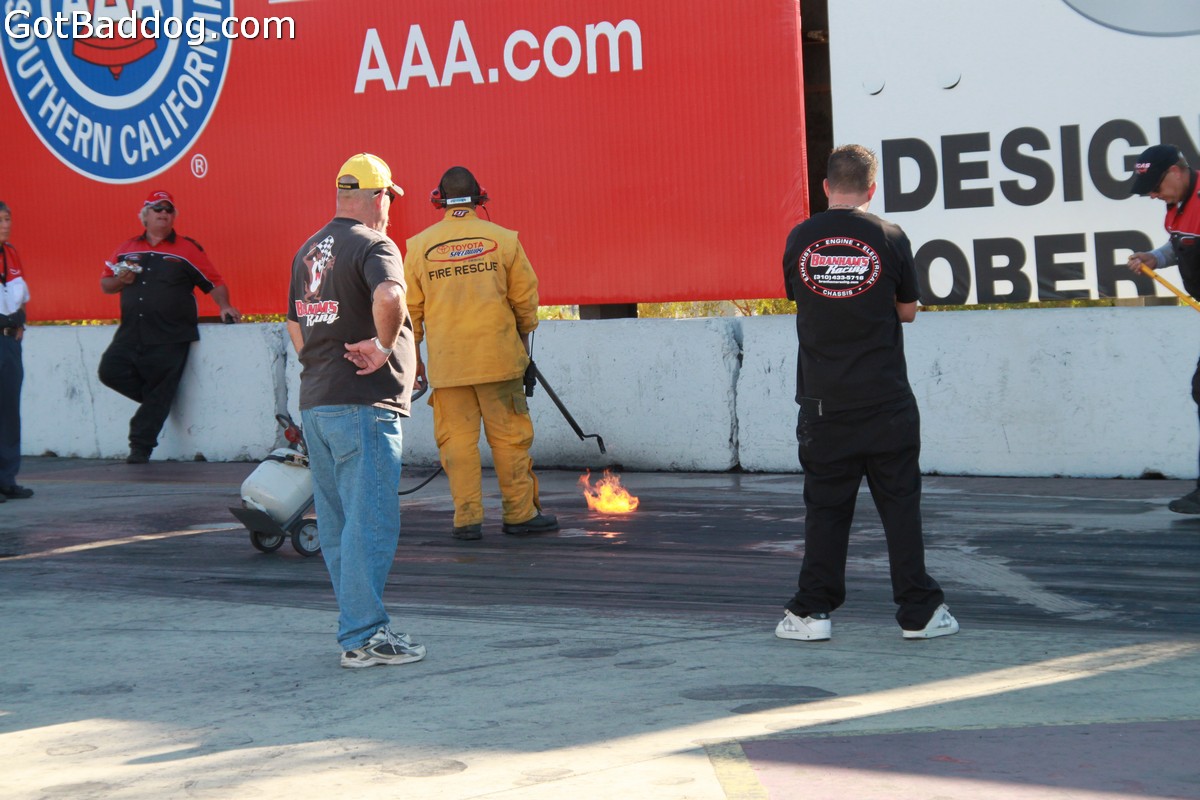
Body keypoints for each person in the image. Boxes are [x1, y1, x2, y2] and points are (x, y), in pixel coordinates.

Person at [775, 144, 958, 642]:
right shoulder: (890, 235)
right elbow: (908, 311)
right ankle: (920, 613)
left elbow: (801, 298)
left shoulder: (800, 237)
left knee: (826, 510)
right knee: (900, 508)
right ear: (872, 189)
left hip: (824, 403)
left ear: (826, 187)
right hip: (886, 400)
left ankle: (811, 614)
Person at [286, 153, 426, 669]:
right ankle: (366, 635)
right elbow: (389, 294)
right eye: (389, 198)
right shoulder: (374, 244)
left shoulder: (308, 250)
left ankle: (356, 631)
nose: (389, 208)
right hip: (363, 405)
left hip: (317, 403)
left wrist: (324, 362)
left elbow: (295, 325)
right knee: (370, 522)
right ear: (378, 196)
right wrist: (386, 349)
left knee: (340, 526)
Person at [403, 166, 557, 541]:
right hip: (500, 363)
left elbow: (409, 314)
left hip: (449, 367)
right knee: (509, 441)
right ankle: (520, 514)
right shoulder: (504, 240)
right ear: (479, 198)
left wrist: (416, 360)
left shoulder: (418, 246)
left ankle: (467, 520)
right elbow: (525, 303)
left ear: (438, 199)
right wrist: (522, 348)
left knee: (456, 443)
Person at [98, 191, 241, 463]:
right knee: (110, 371)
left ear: (173, 216)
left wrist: (224, 305)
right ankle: (157, 401)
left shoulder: (187, 249)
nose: (163, 213)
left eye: (168, 209)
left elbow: (213, 281)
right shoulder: (127, 248)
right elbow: (106, 284)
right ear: (145, 216)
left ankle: (140, 448)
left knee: (160, 391)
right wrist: (120, 281)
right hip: (131, 331)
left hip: (172, 334)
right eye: (157, 208)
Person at [1126, 144, 1200, 513]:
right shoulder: (1176, 207)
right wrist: (1154, 257)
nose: (1153, 195)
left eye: (1155, 187)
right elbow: (1179, 244)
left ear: (1175, 171)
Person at [0, 201, 33, 501]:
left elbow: (20, 295)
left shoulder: (10, 252)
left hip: (9, 342)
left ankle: (6, 478)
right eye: (0, 220)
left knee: (9, 412)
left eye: (8, 219)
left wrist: (20, 323)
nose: (5, 225)